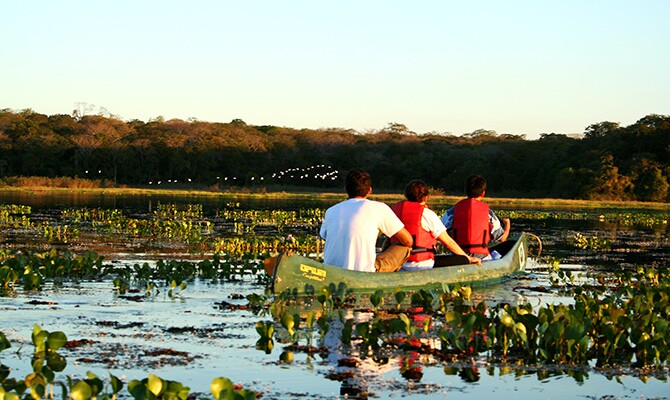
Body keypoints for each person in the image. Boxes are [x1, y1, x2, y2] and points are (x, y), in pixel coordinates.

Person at [319, 169, 413, 272]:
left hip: (330, 270)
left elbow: (324, 236)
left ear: (346, 189)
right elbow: (408, 240)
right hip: (365, 271)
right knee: (405, 247)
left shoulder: (331, 211)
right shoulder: (379, 208)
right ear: (369, 190)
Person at [390, 179, 481, 271]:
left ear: (406, 196)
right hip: (422, 264)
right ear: (426, 198)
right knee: (462, 259)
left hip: (398, 263)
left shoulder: (394, 212)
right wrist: (468, 258)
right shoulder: (427, 214)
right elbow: (448, 242)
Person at [441, 175, 511, 259]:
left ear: (466, 191)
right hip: (482, 257)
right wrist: (507, 225)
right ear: (483, 193)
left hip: (458, 256)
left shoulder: (452, 212)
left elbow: (439, 231)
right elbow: (502, 238)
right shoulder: (488, 213)